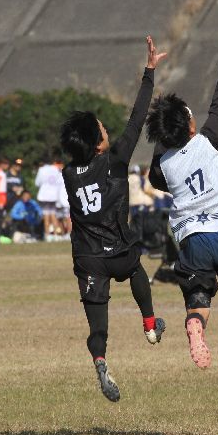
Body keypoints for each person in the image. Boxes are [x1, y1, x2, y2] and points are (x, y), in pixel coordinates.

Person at [59, 35, 167, 402]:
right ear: (98, 143)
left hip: (87, 258)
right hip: (119, 251)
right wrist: (149, 72)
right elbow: (137, 119)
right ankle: (150, 324)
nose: (107, 129)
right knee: (136, 270)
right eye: (103, 128)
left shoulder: (68, 173)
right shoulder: (116, 160)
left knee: (97, 326)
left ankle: (101, 360)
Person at [147, 13, 218, 377]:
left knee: (199, 299)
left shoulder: (164, 165)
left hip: (192, 240)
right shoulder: (213, 137)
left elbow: (157, 176)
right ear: (191, 125)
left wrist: (162, 125)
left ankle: (196, 325)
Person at [35, 155, 64, 241]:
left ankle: (47, 234)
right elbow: (59, 182)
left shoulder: (41, 169)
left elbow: (37, 183)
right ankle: (56, 234)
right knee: (53, 214)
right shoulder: (56, 169)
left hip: (44, 195)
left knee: (46, 215)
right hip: (54, 195)